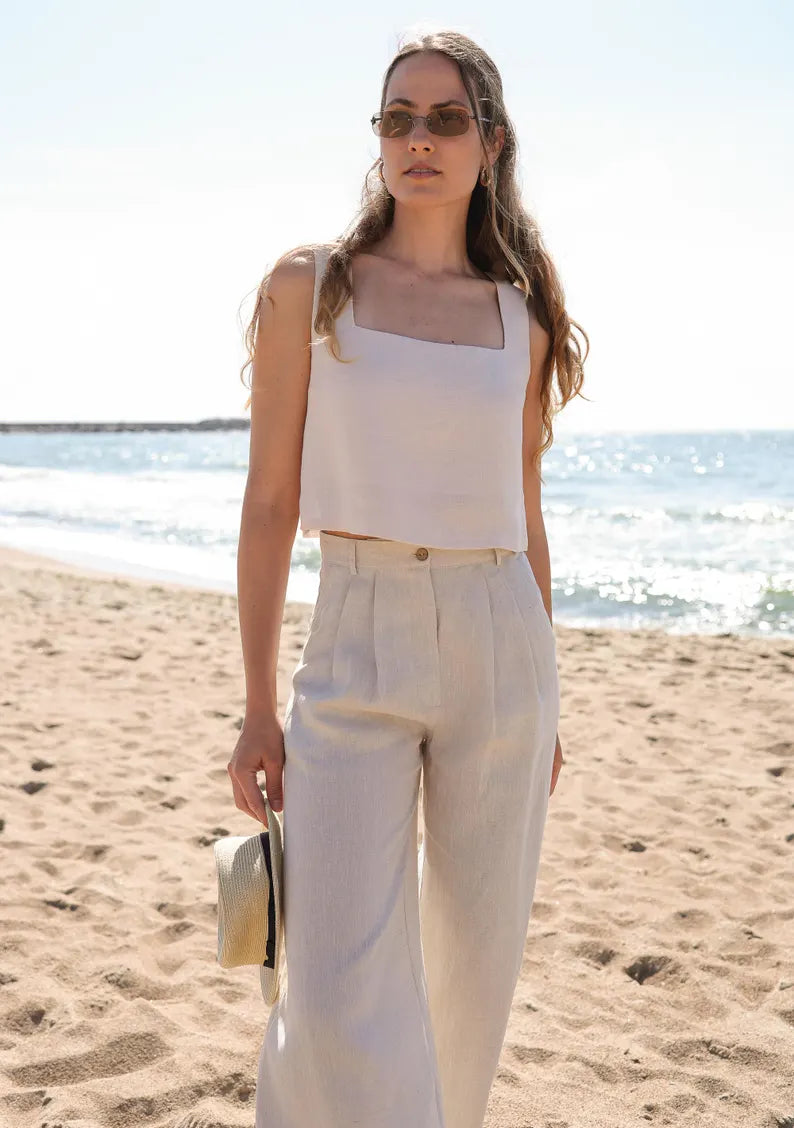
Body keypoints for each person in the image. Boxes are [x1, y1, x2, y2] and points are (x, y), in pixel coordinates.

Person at [230, 27, 588, 1128]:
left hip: (499, 640)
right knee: (335, 979)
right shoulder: (313, 286)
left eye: (442, 119)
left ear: (488, 141)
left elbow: (521, 515)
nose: (416, 139)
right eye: (396, 118)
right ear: (376, 141)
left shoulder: (515, 312)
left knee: (471, 973)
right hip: (355, 628)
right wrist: (254, 708)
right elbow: (270, 504)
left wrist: (550, 695)